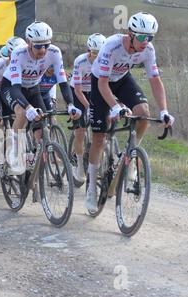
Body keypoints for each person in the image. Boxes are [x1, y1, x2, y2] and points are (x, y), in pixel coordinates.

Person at [85, 12, 175, 211]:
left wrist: (164, 111)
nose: (146, 41)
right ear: (130, 34)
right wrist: (116, 106)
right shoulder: (111, 45)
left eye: (150, 37)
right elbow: (102, 83)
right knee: (99, 137)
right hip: (101, 83)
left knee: (143, 113)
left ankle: (131, 156)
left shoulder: (148, 49)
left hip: (123, 79)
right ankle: (91, 187)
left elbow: (155, 80)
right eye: (142, 37)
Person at [0, 21, 80, 173]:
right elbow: (16, 89)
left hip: (33, 87)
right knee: (23, 113)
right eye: (38, 46)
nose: (43, 50)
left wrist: (70, 104)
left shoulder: (55, 53)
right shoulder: (19, 53)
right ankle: (14, 152)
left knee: (43, 126)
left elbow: (63, 82)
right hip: (12, 86)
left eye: (46, 45)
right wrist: (28, 107)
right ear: (29, 42)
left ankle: (36, 161)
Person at [70, 33, 106, 184]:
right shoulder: (80, 61)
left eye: (100, 53)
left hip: (95, 90)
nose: (97, 57)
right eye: (94, 53)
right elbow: (77, 90)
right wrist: (88, 107)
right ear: (89, 50)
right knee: (81, 130)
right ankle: (78, 165)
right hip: (78, 91)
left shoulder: (106, 60)